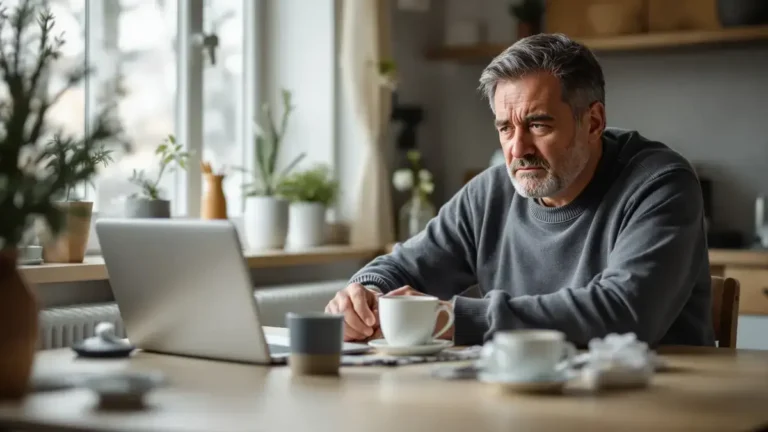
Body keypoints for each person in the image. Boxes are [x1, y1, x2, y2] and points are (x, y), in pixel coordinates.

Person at [325, 33, 714, 348]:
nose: (517, 149)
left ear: (593, 122)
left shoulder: (660, 183)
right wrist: (363, 293)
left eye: (538, 125)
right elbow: (403, 267)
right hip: (528, 401)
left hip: (653, 405)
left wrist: (453, 320)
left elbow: (626, 311)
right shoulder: (491, 192)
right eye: (505, 128)